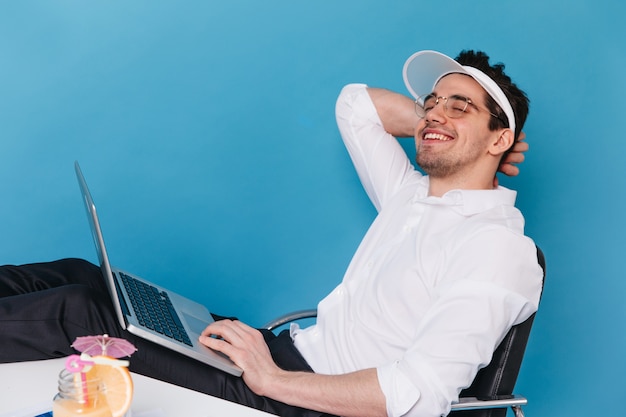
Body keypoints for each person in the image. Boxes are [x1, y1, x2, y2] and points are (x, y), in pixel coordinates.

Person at [0, 49, 542, 417]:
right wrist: (449, 127)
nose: (433, 115)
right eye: (431, 103)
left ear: (500, 139)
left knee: (81, 313)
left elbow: (421, 393)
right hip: (277, 358)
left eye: (460, 107)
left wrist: (273, 381)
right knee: (89, 278)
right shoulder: (413, 196)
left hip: (302, 400)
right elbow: (355, 105)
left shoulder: (495, 249)